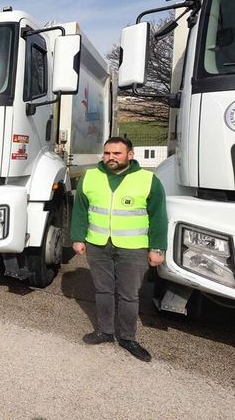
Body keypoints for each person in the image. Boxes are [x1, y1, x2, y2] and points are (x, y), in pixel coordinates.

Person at [71, 136, 167, 362]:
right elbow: (80, 210)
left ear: (130, 155)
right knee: (103, 290)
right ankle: (105, 331)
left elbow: (159, 217)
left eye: (117, 153)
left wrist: (158, 248)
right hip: (98, 244)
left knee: (129, 295)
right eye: (107, 153)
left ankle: (128, 338)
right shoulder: (91, 176)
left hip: (133, 248)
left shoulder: (148, 180)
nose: (111, 157)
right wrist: (77, 237)